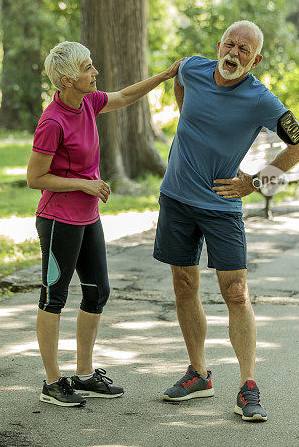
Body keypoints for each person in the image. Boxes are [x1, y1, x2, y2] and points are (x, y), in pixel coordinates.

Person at [153, 20, 299, 421]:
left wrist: (255, 182)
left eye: (244, 49)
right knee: (184, 283)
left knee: (236, 292)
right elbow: (181, 90)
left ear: (255, 59)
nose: (234, 53)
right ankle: (199, 374)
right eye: (229, 43)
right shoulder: (192, 68)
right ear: (218, 44)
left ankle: (248, 386)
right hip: (176, 198)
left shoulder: (262, 100)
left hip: (222, 205)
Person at [26, 41, 182, 407]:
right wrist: (85, 183)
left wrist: (164, 75)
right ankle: (52, 382)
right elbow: (35, 178)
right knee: (54, 297)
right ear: (67, 79)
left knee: (98, 293)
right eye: (88, 68)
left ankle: (83, 374)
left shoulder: (89, 103)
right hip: (57, 221)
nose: (95, 73)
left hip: (87, 218)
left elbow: (126, 96)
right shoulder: (52, 121)